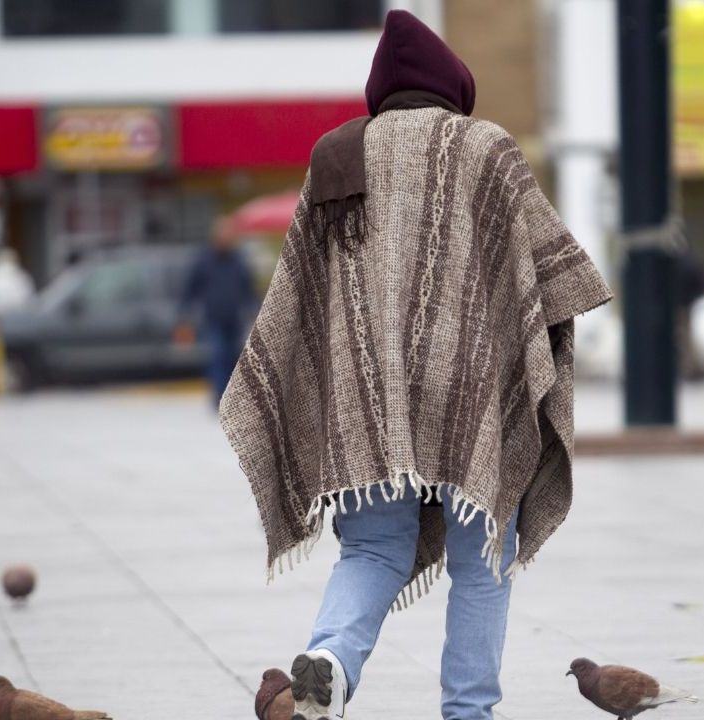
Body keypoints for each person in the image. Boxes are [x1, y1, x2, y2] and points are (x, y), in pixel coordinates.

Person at [218, 11, 612, 720]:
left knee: (371, 551)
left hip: (364, 407)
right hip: (475, 396)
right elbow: (555, 275)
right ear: (453, 85)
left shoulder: (337, 155)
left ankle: (329, 672)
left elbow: (297, 302)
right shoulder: (487, 148)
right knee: (483, 559)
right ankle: (468, 711)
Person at [180, 217, 258, 405]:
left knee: (233, 358)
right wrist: (185, 314)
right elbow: (190, 289)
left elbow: (248, 289)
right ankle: (219, 397)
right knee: (218, 356)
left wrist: (254, 310)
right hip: (213, 318)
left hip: (234, 318)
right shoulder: (204, 260)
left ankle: (231, 398)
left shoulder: (239, 260)